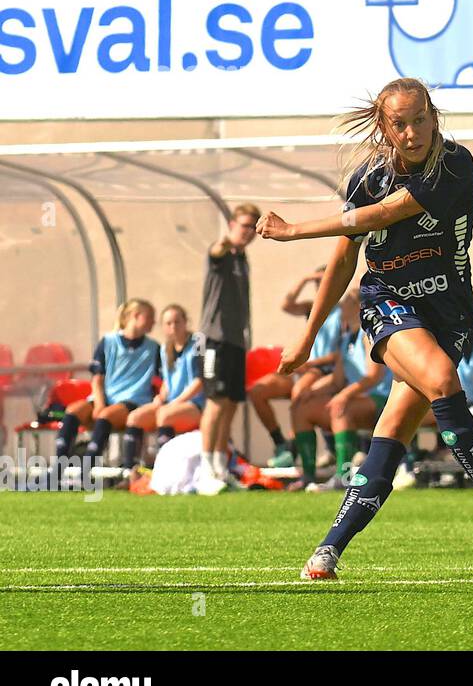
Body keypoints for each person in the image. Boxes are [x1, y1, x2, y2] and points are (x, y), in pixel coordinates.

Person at [255, 77, 473, 580]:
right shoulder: (367, 179)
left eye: (420, 119)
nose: (413, 132)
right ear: (384, 127)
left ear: (434, 117)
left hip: (450, 312)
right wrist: (307, 335)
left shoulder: (454, 166)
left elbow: (382, 215)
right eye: (400, 123)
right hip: (388, 301)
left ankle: (327, 551)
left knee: (390, 434)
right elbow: (346, 257)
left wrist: (291, 230)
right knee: (439, 378)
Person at [289, 293, 391, 491]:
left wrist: (344, 395)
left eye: (347, 302)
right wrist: (311, 392)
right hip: (355, 398)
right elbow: (336, 381)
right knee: (301, 408)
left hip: (379, 398)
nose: (342, 307)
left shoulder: (368, 334)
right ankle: (308, 477)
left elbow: (373, 376)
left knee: (341, 408)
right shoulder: (346, 339)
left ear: (358, 306)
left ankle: (342, 476)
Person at [195, 203, 260, 495]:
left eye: (253, 227)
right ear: (232, 225)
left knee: (231, 404)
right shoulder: (222, 252)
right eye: (244, 225)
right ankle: (205, 468)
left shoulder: (242, 257)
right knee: (216, 402)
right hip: (215, 341)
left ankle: (221, 468)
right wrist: (225, 240)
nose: (248, 232)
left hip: (236, 342)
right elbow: (216, 251)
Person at [247, 267, 340, 466]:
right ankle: (280, 443)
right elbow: (286, 304)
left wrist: (312, 363)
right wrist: (305, 277)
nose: (321, 287)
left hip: (323, 369)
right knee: (257, 391)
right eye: (318, 283)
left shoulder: (345, 311)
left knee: (299, 393)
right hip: (304, 367)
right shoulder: (312, 307)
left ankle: (294, 448)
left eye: (325, 282)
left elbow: (344, 352)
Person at [57, 299, 162, 465]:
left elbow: (164, 379)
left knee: (106, 415)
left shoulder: (154, 348)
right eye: (150, 317)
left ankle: (87, 468)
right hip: (106, 399)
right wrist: (99, 404)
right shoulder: (108, 341)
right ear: (135, 316)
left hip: (133, 401)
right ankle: (58, 466)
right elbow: (97, 379)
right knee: (73, 410)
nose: (154, 322)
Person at [120, 303, 206, 471]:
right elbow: (168, 381)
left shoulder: (198, 342)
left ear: (185, 322)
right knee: (135, 417)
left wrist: (176, 402)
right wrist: (161, 397)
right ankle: (130, 473)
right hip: (172, 404)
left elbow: (200, 382)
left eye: (177, 322)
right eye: (168, 323)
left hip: (196, 404)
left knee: (165, 415)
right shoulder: (164, 349)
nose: (173, 327)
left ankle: (166, 470)